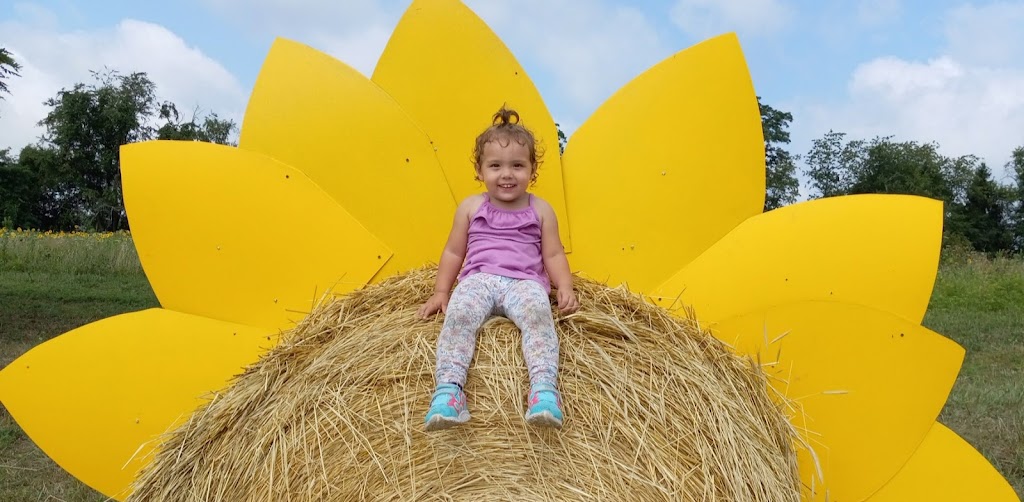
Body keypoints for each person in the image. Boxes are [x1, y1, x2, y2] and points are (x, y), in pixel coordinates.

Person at [418, 106, 579, 432]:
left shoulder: (541, 210)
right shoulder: (471, 207)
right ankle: (449, 391)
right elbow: (453, 251)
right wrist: (441, 292)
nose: (507, 174)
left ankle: (544, 391)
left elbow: (553, 253)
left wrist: (565, 286)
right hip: (479, 279)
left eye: (517, 166)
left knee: (538, 313)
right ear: (479, 170)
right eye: (496, 166)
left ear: (532, 170)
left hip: (524, 282)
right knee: (460, 313)